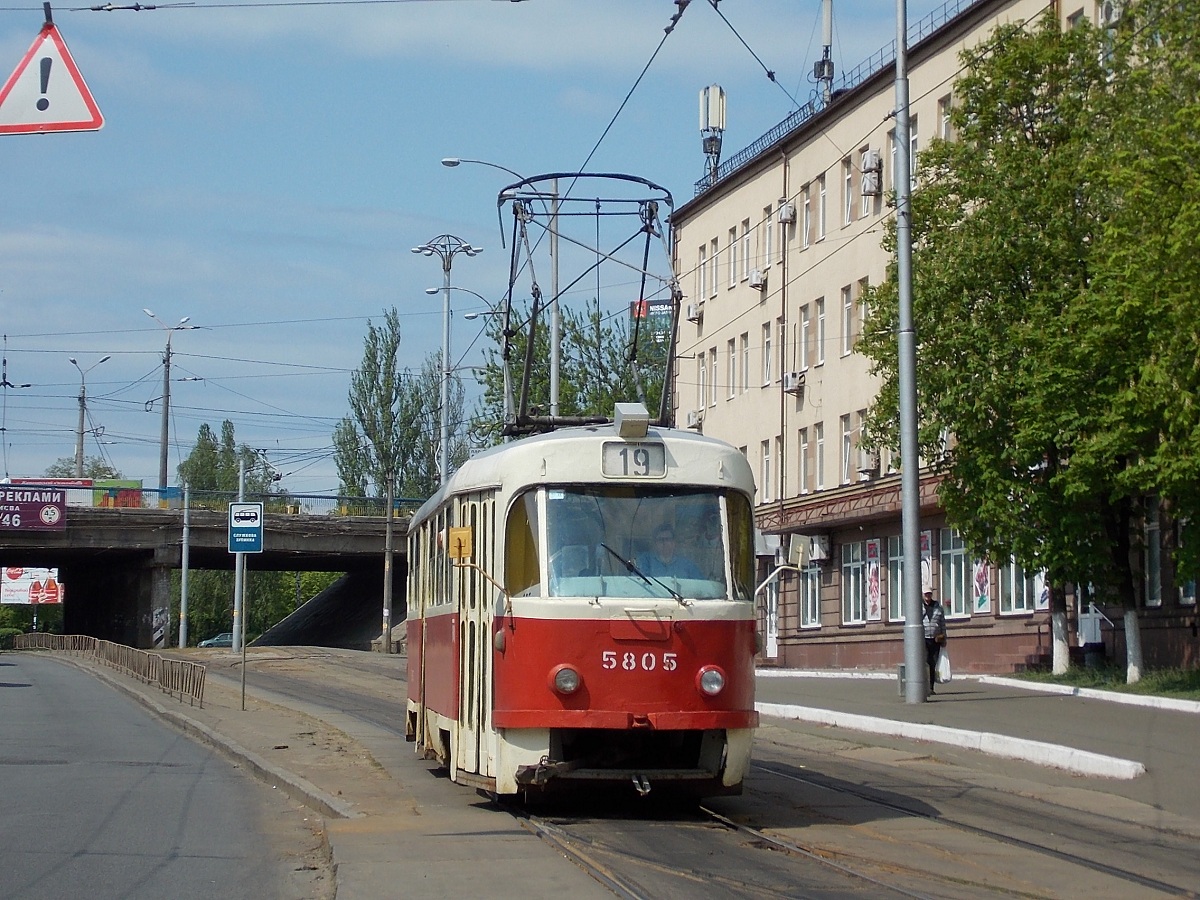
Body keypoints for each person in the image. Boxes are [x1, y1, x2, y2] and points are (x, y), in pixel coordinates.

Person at [923, 590, 947, 695]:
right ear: (923, 595)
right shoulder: (919, 607)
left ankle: (931, 687)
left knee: (933, 662)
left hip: (936, 639)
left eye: (929, 594)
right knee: (926, 662)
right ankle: (924, 686)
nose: (928, 596)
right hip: (923, 639)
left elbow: (942, 623)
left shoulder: (938, 607)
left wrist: (944, 637)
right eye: (926, 594)